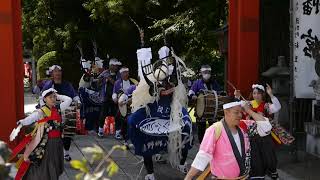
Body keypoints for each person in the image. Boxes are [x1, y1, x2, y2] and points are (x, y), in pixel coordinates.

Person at [185, 99, 272, 180]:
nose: (240, 115)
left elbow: (266, 127)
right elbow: (203, 157)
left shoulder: (244, 126)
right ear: (226, 112)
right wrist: (188, 177)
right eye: (236, 112)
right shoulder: (214, 130)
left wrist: (249, 110)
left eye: (241, 112)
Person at [12, 88, 72, 180]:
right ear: (44, 99)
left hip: (58, 142)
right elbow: (30, 118)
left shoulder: (58, 108)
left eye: (54, 97)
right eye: (50, 97)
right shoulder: (41, 111)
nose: (53, 99)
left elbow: (69, 100)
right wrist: (22, 122)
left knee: (55, 163)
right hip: (46, 143)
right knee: (47, 164)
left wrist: (58, 95)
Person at [235, 84, 281, 180]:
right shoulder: (248, 104)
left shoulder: (265, 105)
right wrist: (237, 97)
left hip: (264, 138)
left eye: (259, 94)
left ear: (263, 95)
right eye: (255, 93)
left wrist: (271, 94)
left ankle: (271, 172)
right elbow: (236, 109)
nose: (256, 96)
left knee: (269, 159)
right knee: (256, 161)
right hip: (252, 138)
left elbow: (277, 107)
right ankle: (257, 176)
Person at [41, 65, 80, 161]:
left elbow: (74, 96)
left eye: (59, 71)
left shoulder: (67, 84)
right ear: (52, 74)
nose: (57, 73)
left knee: (67, 132)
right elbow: (42, 97)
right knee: (53, 132)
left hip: (66, 109)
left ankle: (66, 152)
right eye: (55, 72)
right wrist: (43, 108)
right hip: (53, 110)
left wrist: (78, 102)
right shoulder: (48, 85)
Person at [188, 65, 223, 143]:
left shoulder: (214, 83)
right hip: (200, 111)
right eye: (205, 72)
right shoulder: (197, 83)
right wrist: (192, 96)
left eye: (208, 72)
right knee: (201, 131)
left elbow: (220, 93)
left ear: (210, 73)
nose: (207, 74)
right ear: (201, 73)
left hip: (213, 111)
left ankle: (212, 145)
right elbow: (191, 91)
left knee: (213, 131)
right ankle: (202, 146)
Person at [97, 58, 122, 137]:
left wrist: (108, 78)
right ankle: (100, 131)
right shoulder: (105, 72)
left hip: (116, 98)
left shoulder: (119, 74)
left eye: (117, 66)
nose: (116, 67)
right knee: (102, 114)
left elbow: (117, 84)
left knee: (117, 115)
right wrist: (100, 80)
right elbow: (98, 83)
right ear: (110, 66)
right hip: (105, 97)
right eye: (114, 66)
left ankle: (118, 133)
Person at [112, 67, 138, 140]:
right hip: (121, 102)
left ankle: (129, 132)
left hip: (132, 102)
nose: (126, 74)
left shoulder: (133, 81)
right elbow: (114, 92)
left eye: (127, 72)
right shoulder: (117, 82)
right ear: (121, 74)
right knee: (118, 115)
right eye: (124, 72)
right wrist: (115, 98)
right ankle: (118, 131)